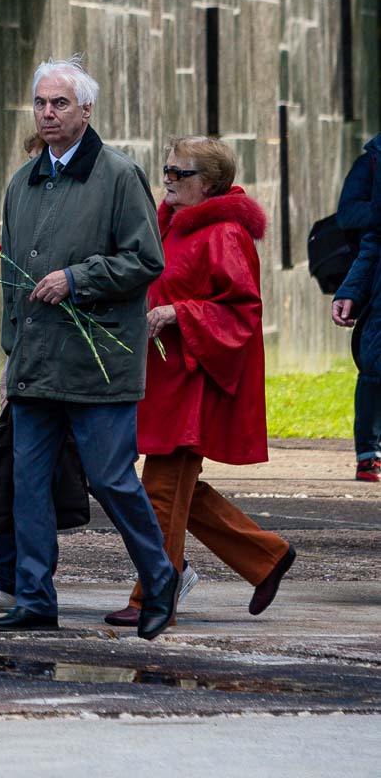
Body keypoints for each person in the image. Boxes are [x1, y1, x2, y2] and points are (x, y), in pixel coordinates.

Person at [0, 56, 178, 639]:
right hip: (36, 365)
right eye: (41, 103)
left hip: (99, 363)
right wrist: (12, 349)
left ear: (85, 110)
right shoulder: (23, 181)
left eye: (61, 103)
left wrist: (78, 278)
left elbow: (147, 260)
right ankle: (34, 598)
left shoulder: (119, 175)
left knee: (111, 479)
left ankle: (162, 579)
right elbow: (14, 278)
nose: (48, 113)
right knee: (29, 485)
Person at [98, 137, 295, 626]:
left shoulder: (224, 233)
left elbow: (243, 310)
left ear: (209, 184)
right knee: (174, 489)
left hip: (193, 381)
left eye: (179, 173)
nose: (167, 179)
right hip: (165, 378)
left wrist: (179, 312)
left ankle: (152, 598)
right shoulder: (173, 224)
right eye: (165, 169)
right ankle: (265, 556)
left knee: (161, 491)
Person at [335, 132, 381, 483]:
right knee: (374, 369)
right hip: (376, 288)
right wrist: (351, 288)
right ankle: (369, 453)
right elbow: (368, 230)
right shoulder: (372, 161)